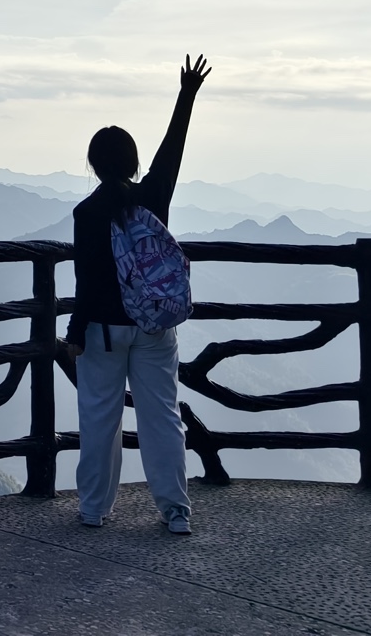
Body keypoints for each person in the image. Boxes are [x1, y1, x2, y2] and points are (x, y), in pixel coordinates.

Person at [65, 54, 211, 534]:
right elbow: (173, 152)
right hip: (154, 325)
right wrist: (186, 95)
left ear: (92, 164)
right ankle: (175, 511)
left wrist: (75, 332)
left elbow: (86, 280)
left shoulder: (87, 213)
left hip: (103, 331)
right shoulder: (153, 198)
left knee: (100, 418)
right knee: (162, 417)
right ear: (132, 163)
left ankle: (93, 509)